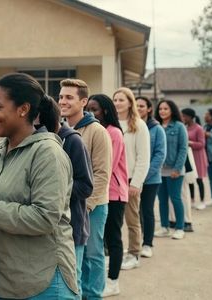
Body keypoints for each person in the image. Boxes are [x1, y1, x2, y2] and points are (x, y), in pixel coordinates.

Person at [0, 73, 78, 299]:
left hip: (43, 283)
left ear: (23, 109)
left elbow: (45, 217)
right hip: (3, 282)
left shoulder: (47, 153)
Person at [59, 79, 112, 300]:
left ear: (83, 102)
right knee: (75, 260)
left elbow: (101, 173)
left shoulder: (97, 131)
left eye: (69, 97)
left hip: (94, 205)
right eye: (61, 96)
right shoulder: (59, 128)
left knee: (93, 253)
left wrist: (88, 205)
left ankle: (94, 295)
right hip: (69, 205)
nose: (63, 101)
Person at [87, 94, 128, 298]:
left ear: (105, 110)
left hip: (114, 193)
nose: (91, 113)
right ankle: (101, 280)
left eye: (95, 109)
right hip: (100, 193)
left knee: (113, 239)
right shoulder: (96, 130)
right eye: (89, 109)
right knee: (98, 242)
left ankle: (113, 281)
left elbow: (106, 166)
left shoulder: (113, 133)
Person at [54, 99, 93, 299]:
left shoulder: (73, 141)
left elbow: (86, 186)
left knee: (72, 282)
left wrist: (54, 188)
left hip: (74, 225)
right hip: (54, 228)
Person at [112, 87, 150, 271]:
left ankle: (135, 253)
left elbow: (144, 157)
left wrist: (136, 183)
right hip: (113, 180)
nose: (117, 103)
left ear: (129, 102)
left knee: (132, 219)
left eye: (121, 100)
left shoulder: (139, 125)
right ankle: (114, 252)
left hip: (130, 180)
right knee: (113, 220)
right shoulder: (110, 123)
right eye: (115, 100)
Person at [135, 96, 166, 258]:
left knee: (147, 211)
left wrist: (143, 176)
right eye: (136, 105)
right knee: (136, 212)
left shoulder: (157, 129)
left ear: (148, 109)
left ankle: (148, 244)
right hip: (132, 180)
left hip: (150, 179)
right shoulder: (132, 126)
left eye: (142, 106)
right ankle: (138, 241)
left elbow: (160, 155)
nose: (138, 108)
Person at [154, 99, 188, 240]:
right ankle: (164, 227)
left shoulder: (179, 126)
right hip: (159, 170)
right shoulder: (156, 126)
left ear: (172, 110)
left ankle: (180, 228)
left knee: (175, 198)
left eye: (165, 109)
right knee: (162, 200)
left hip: (175, 170)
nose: (162, 111)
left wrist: (177, 168)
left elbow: (183, 148)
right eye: (160, 109)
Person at [181, 108, 208, 211]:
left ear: (190, 117)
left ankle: (202, 201)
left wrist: (190, 143)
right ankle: (191, 200)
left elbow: (202, 144)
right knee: (190, 178)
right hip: (189, 157)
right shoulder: (185, 128)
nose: (183, 118)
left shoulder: (199, 128)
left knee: (199, 179)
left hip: (198, 157)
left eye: (184, 116)